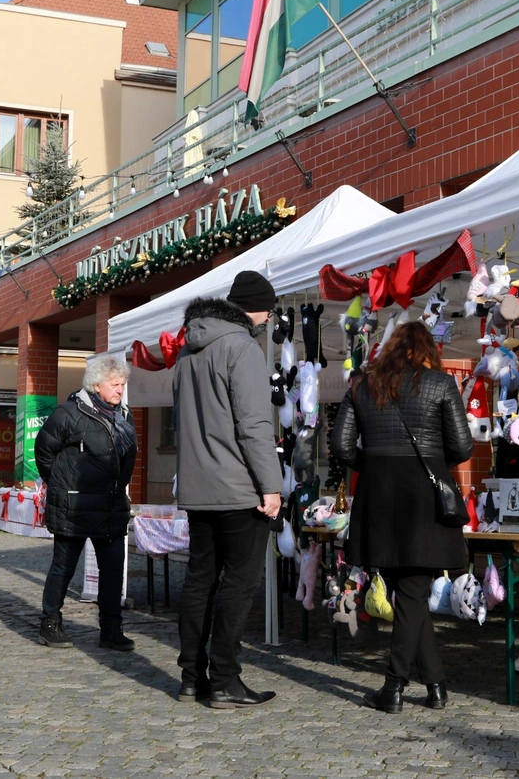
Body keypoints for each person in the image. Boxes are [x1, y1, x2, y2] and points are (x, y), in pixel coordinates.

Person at [330, 321, 474, 713]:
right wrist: (431, 460)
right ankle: (395, 686)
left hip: (378, 496)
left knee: (410, 594)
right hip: (425, 496)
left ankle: (435, 685)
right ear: (427, 350)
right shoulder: (441, 384)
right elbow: (462, 447)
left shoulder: (361, 385)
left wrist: (374, 465)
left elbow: (341, 446)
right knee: (412, 594)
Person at [171, 271, 282, 709]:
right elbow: (254, 425)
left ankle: (190, 678)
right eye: (269, 311)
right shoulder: (242, 347)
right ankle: (224, 680)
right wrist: (271, 486)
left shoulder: (187, 351)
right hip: (239, 488)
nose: (270, 320)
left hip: (198, 487)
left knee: (199, 580)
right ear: (258, 309)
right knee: (238, 582)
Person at [34, 355, 138, 652]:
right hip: (75, 505)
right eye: (114, 384)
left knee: (113, 570)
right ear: (96, 385)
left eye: (122, 384)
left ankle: (111, 628)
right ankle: (50, 624)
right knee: (63, 568)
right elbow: (44, 452)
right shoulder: (68, 413)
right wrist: (63, 485)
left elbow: (127, 458)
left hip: (111, 505)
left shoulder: (124, 416)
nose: (120, 389)